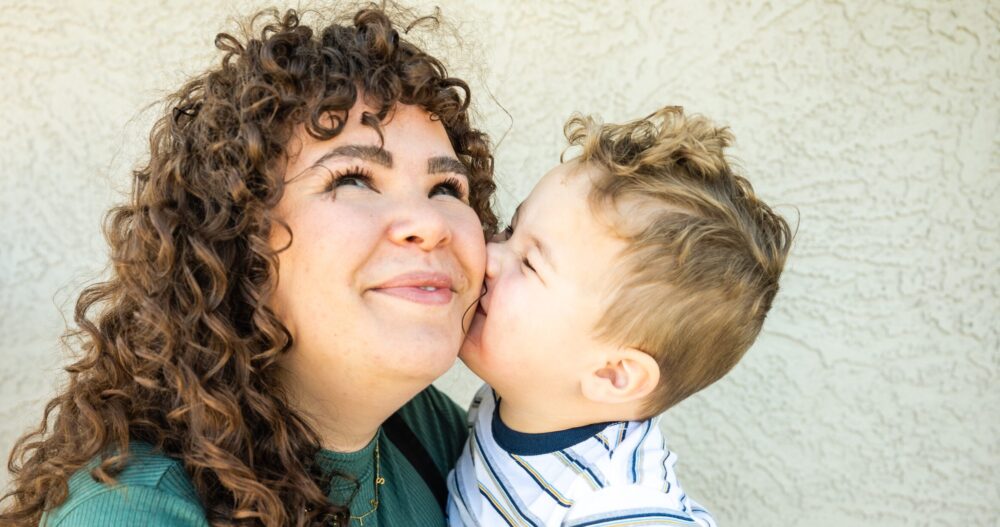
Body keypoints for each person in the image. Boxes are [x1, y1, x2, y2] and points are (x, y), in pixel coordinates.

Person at [0, 5, 498, 527]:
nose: (430, 222)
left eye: (447, 188)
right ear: (235, 237)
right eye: (352, 179)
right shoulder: (136, 511)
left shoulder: (424, 429)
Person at [447, 106, 793, 526]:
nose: (490, 255)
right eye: (510, 230)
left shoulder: (618, 507)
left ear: (612, 375)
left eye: (532, 264)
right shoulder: (510, 395)